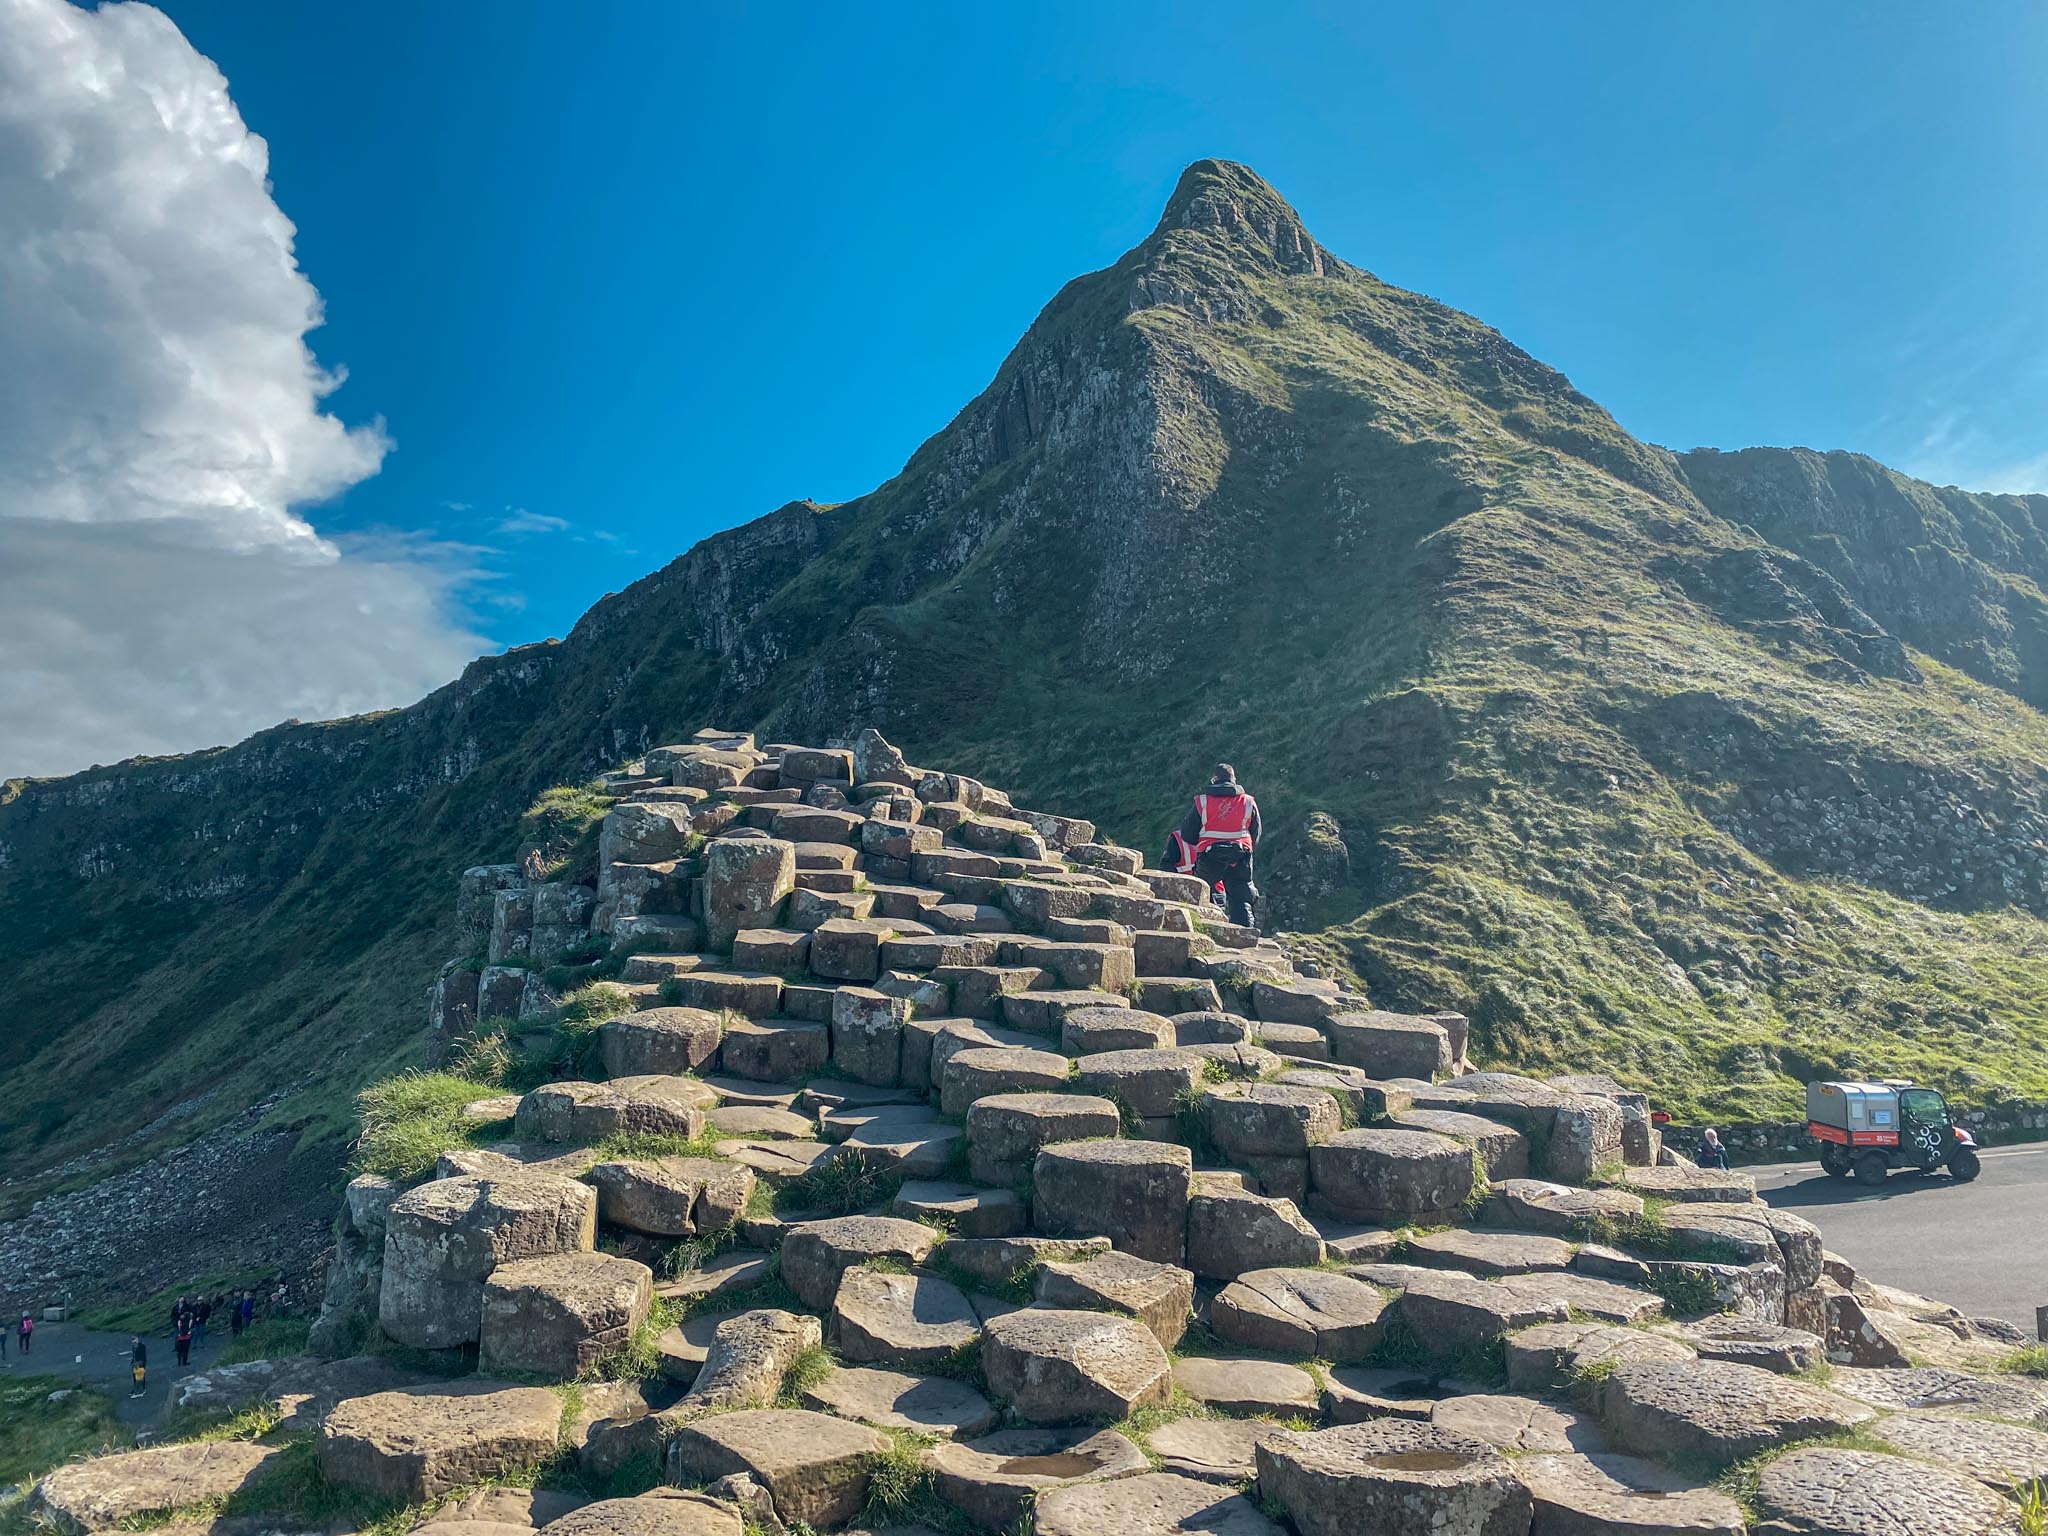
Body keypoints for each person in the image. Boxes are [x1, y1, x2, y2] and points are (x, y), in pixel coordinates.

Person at [1177, 763, 1262, 929]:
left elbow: (1187, 833)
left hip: (1209, 856)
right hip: (1240, 855)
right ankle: (1245, 934)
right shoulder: (1248, 801)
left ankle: (1204, 930)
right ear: (1234, 780)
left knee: (1203, 893)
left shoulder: (1203, 801)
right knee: (1241, 896)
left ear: (1214, 780)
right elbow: (1256, 833)